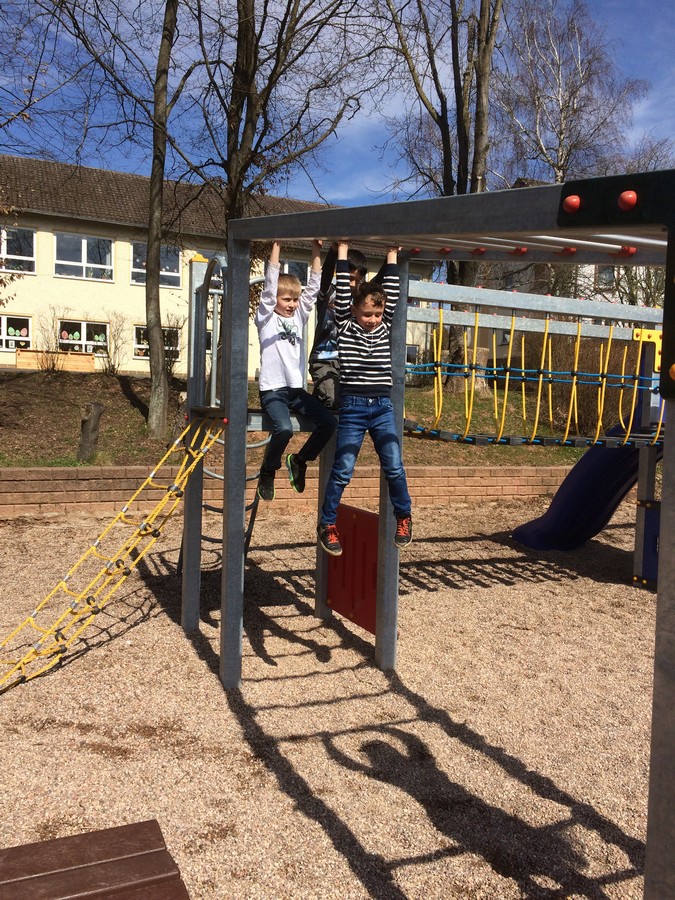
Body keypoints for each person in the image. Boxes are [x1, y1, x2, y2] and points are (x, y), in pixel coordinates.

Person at [317, 241, 413, 555]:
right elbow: (343, 290)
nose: (372, 319)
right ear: (354, 311)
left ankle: (404, 516)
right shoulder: (345, 325)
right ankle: (327, 523)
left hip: (382, 406)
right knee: (343, 468)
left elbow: (392, 291)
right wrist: (342, 252)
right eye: (367, 313)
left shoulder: (385, 326)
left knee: (394, 465)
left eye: (377, 313)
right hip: (354, 407)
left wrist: (392, 256)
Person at [255, 240, 337, 501]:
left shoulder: (300, 317)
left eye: (294, 299)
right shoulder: (266, 319)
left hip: (296, 391)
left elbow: (313, 288)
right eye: (286, 299)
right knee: (284, 429)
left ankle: (300, 460)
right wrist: (276, 246)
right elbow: (270, 286)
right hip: (272, 391)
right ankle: (268, 470)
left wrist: (316, 251)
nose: (291, 304)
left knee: (329, 423)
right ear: (275, 301)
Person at [309, 243, 368, 410]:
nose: (353, 284)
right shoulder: (328, 293)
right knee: (333, 398)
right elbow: (326, 275)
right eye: (350, 278)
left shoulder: (359, 300)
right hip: (323, 359)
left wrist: (390, 257)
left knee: (353, 401)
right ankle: (313, 402)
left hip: (347, 362)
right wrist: (334, 252)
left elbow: (378, 283)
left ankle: (318, 402)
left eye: (357, 280)